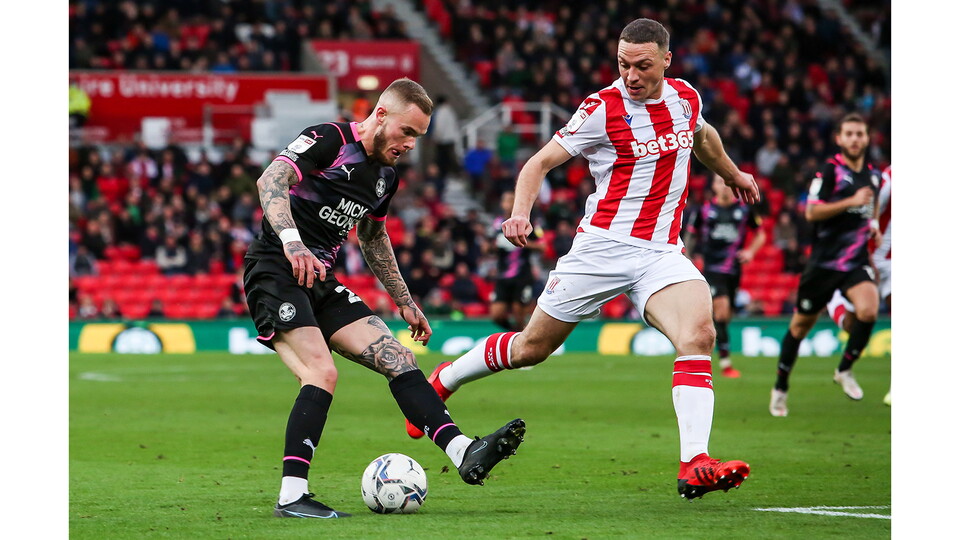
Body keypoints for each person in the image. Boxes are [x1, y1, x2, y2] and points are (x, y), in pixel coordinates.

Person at [405, 19, 759, 501]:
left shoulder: (685, 98)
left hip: (661, 253)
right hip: (600, 249)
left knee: (699, 334)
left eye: (642, 66)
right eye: (623, 64)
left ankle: (694, 462)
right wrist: (518, 215)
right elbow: (539, 163)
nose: (631, 76)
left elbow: (702, 136)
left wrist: (734, 173)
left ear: (666, 61)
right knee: (532, 348)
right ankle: (445, 379)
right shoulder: (601, 108)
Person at [242, 78, 526, 519]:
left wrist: (405, 300)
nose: (411, 144)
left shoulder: (384, 178)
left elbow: (373, 237)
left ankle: (463, 450)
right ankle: (291, 497)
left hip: (320, 280)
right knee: (321, 372)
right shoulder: (329, 139)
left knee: (400, 358)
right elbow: (270, 182)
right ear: (381, 116)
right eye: (406, 132)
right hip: (276, 270)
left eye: (418, 137)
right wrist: (293, 243)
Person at [769, 113, 881, 417]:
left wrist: (874, 225)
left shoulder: (874, 176)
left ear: (867, 138)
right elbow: (812, 213)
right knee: (800, 327)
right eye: (850, 134)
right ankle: (780, 386)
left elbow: (873, 207)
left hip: (855, 261)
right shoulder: (829, 172)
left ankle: (844, 369)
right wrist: (851, 201)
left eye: (860, 134)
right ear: (839, 139)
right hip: (823, 264)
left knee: (870, 310)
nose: (855, 139)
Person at [686, 174, 766, 378]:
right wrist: (687, 256)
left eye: (727, 182)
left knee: (724, 317)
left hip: (733, 270)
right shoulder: (703, 210)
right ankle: (725, 364)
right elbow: (691, 235)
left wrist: (750, 252)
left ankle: (708, 339)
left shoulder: (744, 209)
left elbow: (761, 234)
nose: (724, 186)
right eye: (719, 182)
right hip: (712, 268)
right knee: (721, 313)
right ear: (713, 186)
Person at [824, 163, 891, 406]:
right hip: (865, 259)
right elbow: (864, 214)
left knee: (871, 315)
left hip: (888, 263)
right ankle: (836, 301)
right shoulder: (886, 180)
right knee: (855, 325)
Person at [488, 190, 543, 332]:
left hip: (522, 276)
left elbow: (542, 246)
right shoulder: (496, 223)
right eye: (505, 200)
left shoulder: (528, 223)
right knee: (496, 314)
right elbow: (486, 248)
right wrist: (494, 245)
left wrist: (522, 242)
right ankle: (516, 337)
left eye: (511, 200)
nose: (507, 204)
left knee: (519, 315)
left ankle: (518, 339)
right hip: (502, 275)